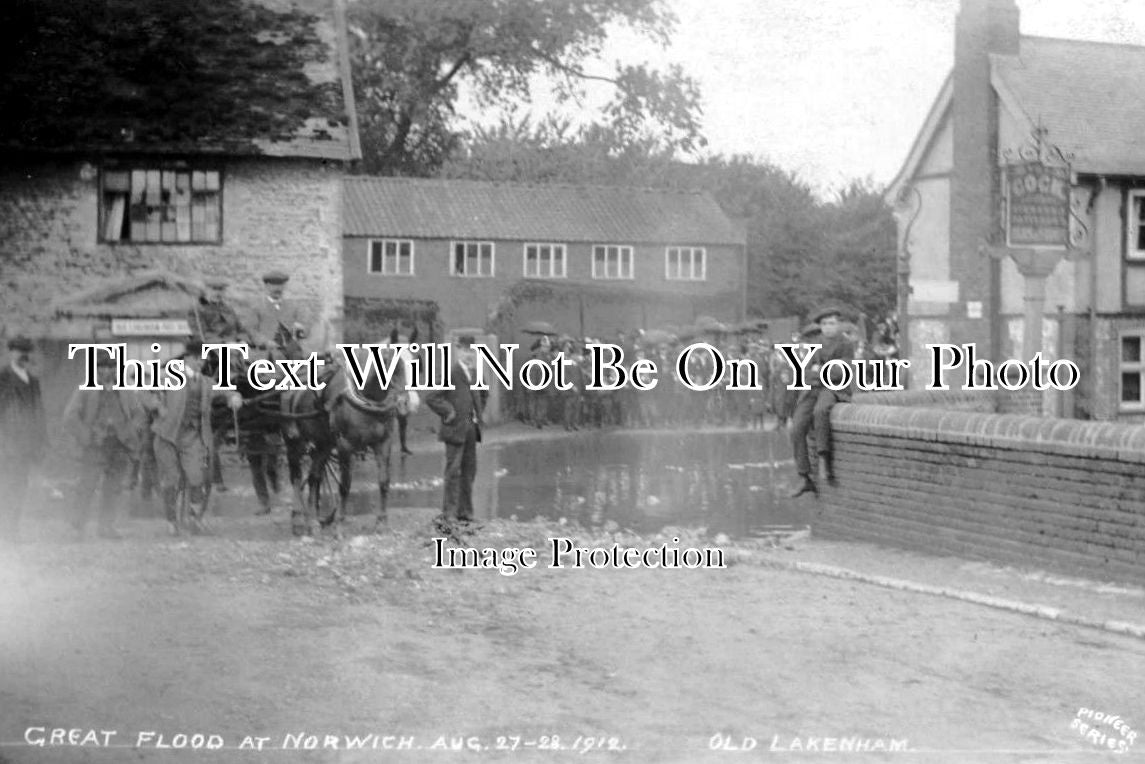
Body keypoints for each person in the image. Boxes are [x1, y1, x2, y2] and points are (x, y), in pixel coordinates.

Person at [62, 364, 148, 539]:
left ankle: (106, 527)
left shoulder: (126, 391)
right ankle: (77, 527)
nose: (106, 372)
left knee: (113, 488)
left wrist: (128, 432)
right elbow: (70, 417)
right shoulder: (85, 390)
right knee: (87, 486)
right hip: (95, 446)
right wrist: (86, 436)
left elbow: (140, 415)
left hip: (119, 446)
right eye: (101, 368)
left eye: (111, 368)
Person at [789, 307, 855, 498]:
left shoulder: (845, 344)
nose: (828, 327)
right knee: (797, 427)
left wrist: (820, 371)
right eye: (825, 324)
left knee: (821, 411)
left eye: (832, 323)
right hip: (813, 389)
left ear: (839, 324)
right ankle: (804, 476)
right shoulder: (815, 344)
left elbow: (841, 372)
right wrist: (821, 372)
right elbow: (805, 372)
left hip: (834, 388)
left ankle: (824, 457)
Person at [152, 340, 215, 535]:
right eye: (196, 358)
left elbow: (222, 391)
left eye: (202, 359)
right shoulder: (170, 377)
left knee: (197, 478)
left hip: (192, 436)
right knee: (172, 479)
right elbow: (146, 392)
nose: (200, 363)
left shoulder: (206, 382)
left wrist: (234, 396)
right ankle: (171, 521)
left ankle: (193, 518)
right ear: (187, 358)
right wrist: (158, 406)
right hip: (167, 436)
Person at [424, 335, 485, 531]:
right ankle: (449, 514)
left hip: (470, 430)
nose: (467, 354)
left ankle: (465, 513)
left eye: (470, 351)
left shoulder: (475, 374)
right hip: (454, 429)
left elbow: (484, 393)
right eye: (464, 350)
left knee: (469, 471)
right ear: (458, 351)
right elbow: (432, 397)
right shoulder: (451, 373)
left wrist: (478, 413)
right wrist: (448, 411)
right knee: (453, 471)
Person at [0, 336, 48, 542]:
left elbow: (38, 412)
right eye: (19, 350)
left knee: (20, 487)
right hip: (7, 444)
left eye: (26, 351)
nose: (23, 355)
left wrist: (41, 439)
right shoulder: (2, 378)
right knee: (7, 488)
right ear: (11, 352)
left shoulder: (33, 381)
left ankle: (12, 531)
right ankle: (6, 532)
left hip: (27, 445)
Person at [247, 270, 308, 356]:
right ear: (267, 286)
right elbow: (252, 331)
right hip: (268, 353)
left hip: (293, 353)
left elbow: (305, 331)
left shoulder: (293, 306)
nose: (278, 289)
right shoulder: (257, 307)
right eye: (274, 285)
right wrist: (265, 342)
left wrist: (301, 329)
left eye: (281, 285)